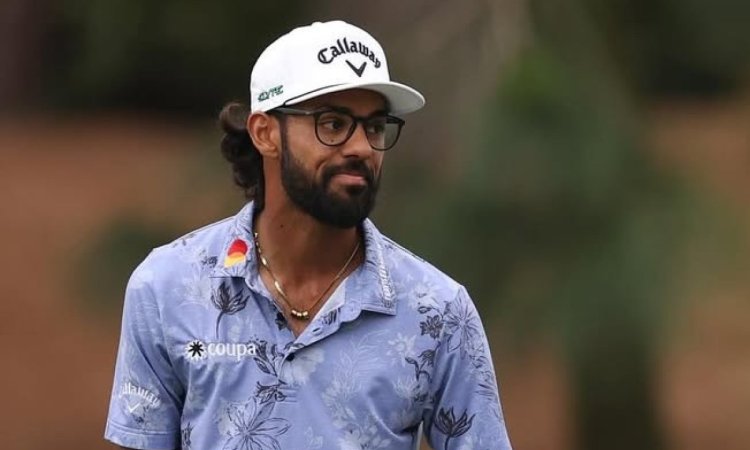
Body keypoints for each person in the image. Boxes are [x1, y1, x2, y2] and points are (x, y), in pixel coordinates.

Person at [105, 20, 512, 450]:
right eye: (333, 124)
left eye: (375, 127)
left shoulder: (439, 310)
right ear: (265, 133)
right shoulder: (166, 287)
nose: (362, 147)